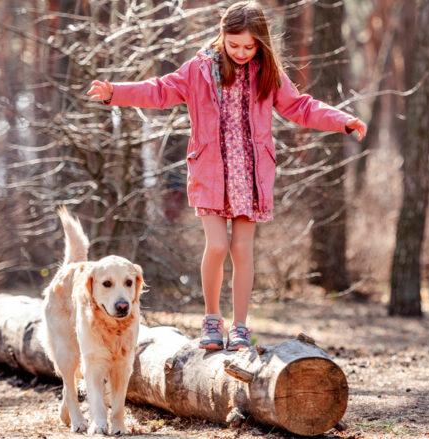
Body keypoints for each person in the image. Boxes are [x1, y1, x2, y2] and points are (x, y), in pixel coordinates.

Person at [87, 1, 367, 351]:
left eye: (249, 47)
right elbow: (160, 90)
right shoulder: (199, 70)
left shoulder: (267, 73)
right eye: (234, 45)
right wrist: (116, 93)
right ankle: (211, 319)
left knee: (242, 249)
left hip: (249, 176)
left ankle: (240, 327)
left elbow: (300, 106)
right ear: (222, 36)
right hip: (210, 172)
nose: (241, 53)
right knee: (218, 245)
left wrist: (341, 119)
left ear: (261, 43)